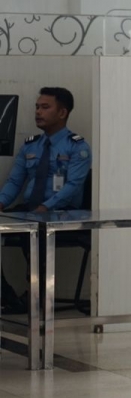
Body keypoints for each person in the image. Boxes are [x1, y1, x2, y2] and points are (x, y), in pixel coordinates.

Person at [0, 87, 92, 311]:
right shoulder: (31, 145)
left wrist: (45, 207)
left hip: (63, 211)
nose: (38, 112)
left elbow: (72, 187)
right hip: (30, 210)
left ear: (62, 113)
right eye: (37, 107)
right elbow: (14, 182)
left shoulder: (77, 147)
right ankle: (6, 296)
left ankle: (37, 294)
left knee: (33, 231)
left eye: (45, 107)